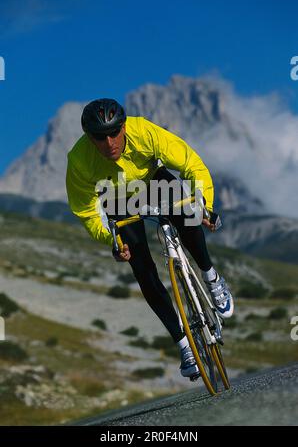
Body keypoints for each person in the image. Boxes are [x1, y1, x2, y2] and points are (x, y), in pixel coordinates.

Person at [66, 98, 234, 379]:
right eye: (99, 137)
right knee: (141, 267)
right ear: (89, 138)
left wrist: (204, 203)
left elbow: (191, 164)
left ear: (124, 127)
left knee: (189, 211)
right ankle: (184, 344)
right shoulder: (79, 159)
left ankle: (210, 275)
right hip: (117, 198)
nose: (109, 144)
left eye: (114, 133)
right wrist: (112, 240)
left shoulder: (144, 131)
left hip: (153, 182)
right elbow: (85, 210)